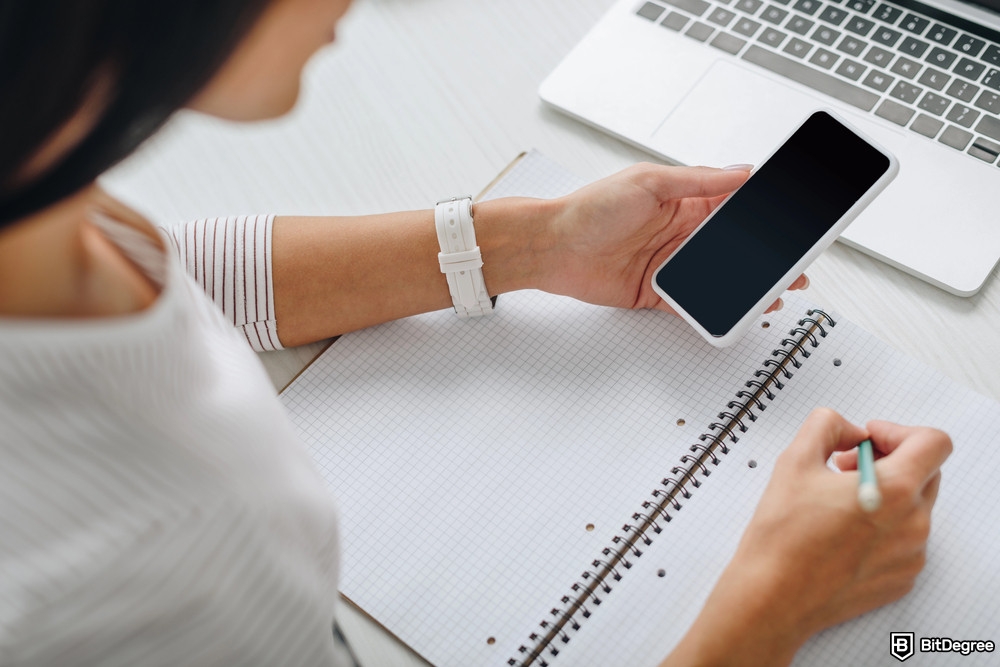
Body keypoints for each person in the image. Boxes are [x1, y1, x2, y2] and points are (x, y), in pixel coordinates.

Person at [0, 1, 951, 666]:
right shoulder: (93, 565)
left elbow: (166, 265)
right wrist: (776, 606)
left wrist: (526, 243)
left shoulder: (35, 194)